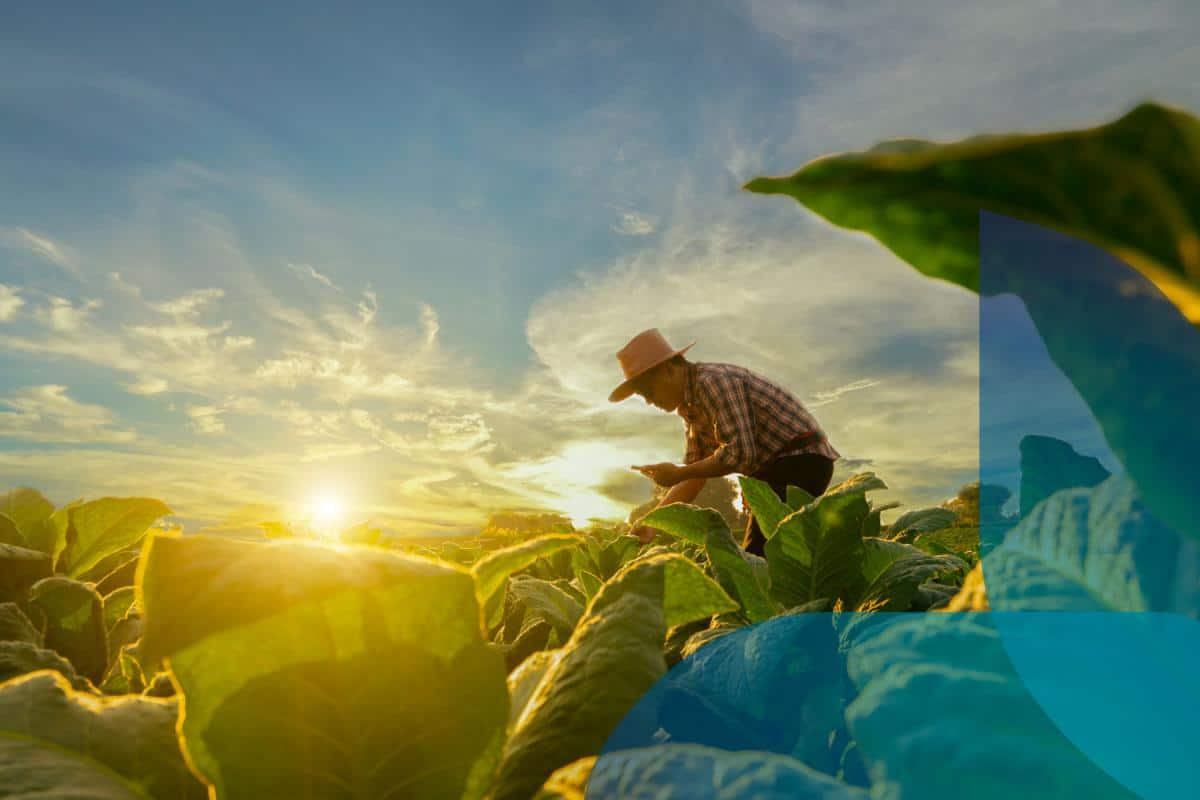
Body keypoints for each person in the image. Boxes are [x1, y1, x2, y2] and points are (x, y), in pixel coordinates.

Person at [609, 328, 840, 556]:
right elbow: (694, 475)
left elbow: (739, 454)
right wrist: (653, 522)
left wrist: (678, 473)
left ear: (668, 370)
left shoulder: (713, 383)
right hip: (777, 469)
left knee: (758, 559)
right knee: (776, 556)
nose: (649, 402)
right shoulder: (691, 407)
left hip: (801, 460)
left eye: (648, 391)